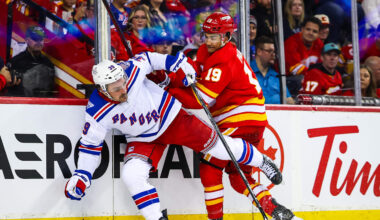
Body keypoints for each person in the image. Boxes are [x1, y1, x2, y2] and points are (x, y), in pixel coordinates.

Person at [64, 51, 282, 220]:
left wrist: (181, 65)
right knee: (131, 175)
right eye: (116, 89)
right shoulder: (97, 111)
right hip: (143, 138)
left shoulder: (129, 70)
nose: (124, 90)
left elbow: (150, 59)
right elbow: (90, 146)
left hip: (171, 117)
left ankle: (262, 160)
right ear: (102, 90)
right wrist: (82, 175)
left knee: (220, 149)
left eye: (123, 84)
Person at [165, 12, 299, 220]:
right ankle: (275, 210)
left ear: (226, 37)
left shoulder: (223, 59)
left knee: (209, 167)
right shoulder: (211, 52)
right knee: (239, 177)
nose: (208, 41)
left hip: (238, 118)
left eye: (214, 37)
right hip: (253, 120)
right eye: (206, 35)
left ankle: (216, 217)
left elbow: (200, 99)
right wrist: (174, 77)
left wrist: (169, 90)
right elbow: (194, 70)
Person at [6, 26, 56, 97]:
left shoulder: (48, 64)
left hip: (42, 105)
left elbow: (50, 91)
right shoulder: (15, 62)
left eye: (41, 39)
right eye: (35, 39)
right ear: (27, 40)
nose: (38, 42)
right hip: (21, 105)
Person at [284, 16, 324, 97]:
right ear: (302, 29)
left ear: (319, 34)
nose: (311, 33)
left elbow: (322, 66)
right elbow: (295, 69)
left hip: (309, 77)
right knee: (301, 79)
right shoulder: (291, 42)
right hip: (288, 80)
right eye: (308, 29)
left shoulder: (319, 44)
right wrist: (316, 76)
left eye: (314, 31)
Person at [251, 36, 294, 104]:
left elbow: (290, 101)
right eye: (270, 51)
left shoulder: (276, 76)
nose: (273, 54)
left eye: (274, 52)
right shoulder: (246, 71)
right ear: (259, 51)